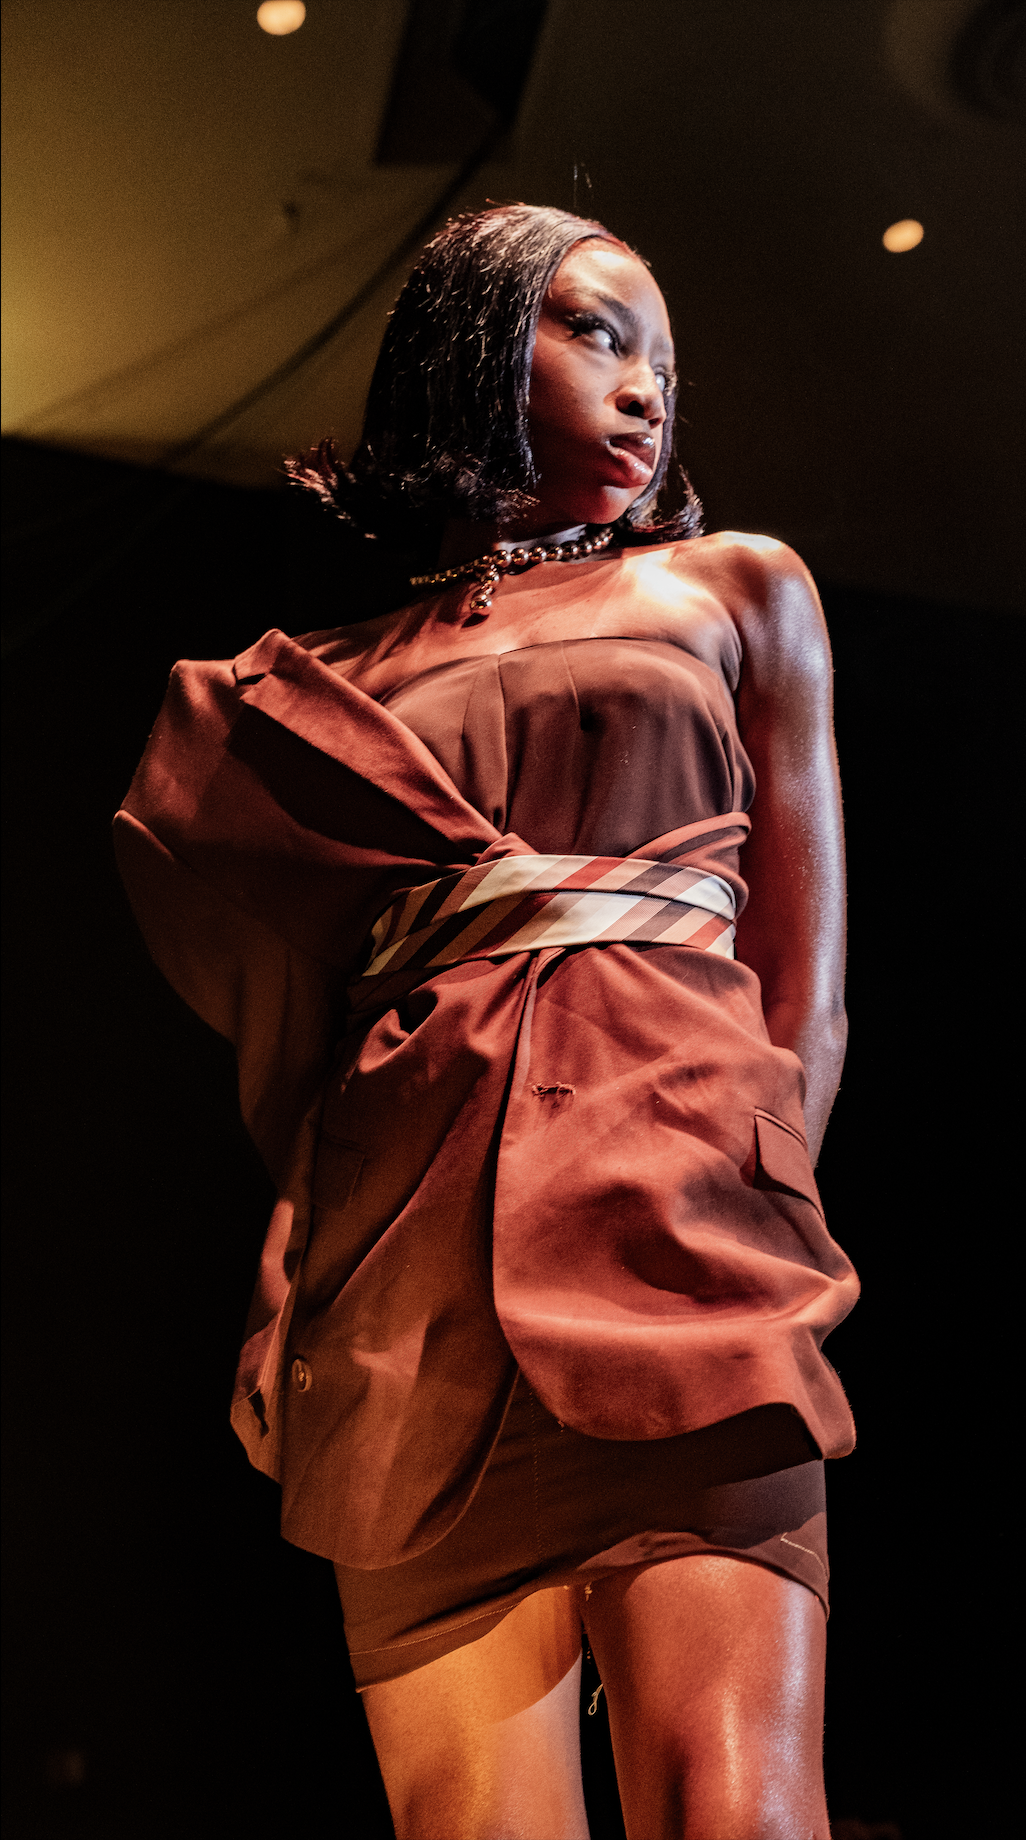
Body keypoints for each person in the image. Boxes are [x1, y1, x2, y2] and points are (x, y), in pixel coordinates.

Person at [115, 204, 858, 1839]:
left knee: (733, 1809)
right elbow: (312, 1046)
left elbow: (805, 980)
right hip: (396, 1277)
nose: (647, 384)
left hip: (679, 1236)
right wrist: (276, 1282)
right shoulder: (328, 675)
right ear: (466, 344)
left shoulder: (731, 589)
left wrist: (756, 1197)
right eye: (597, 330)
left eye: (664, 355)